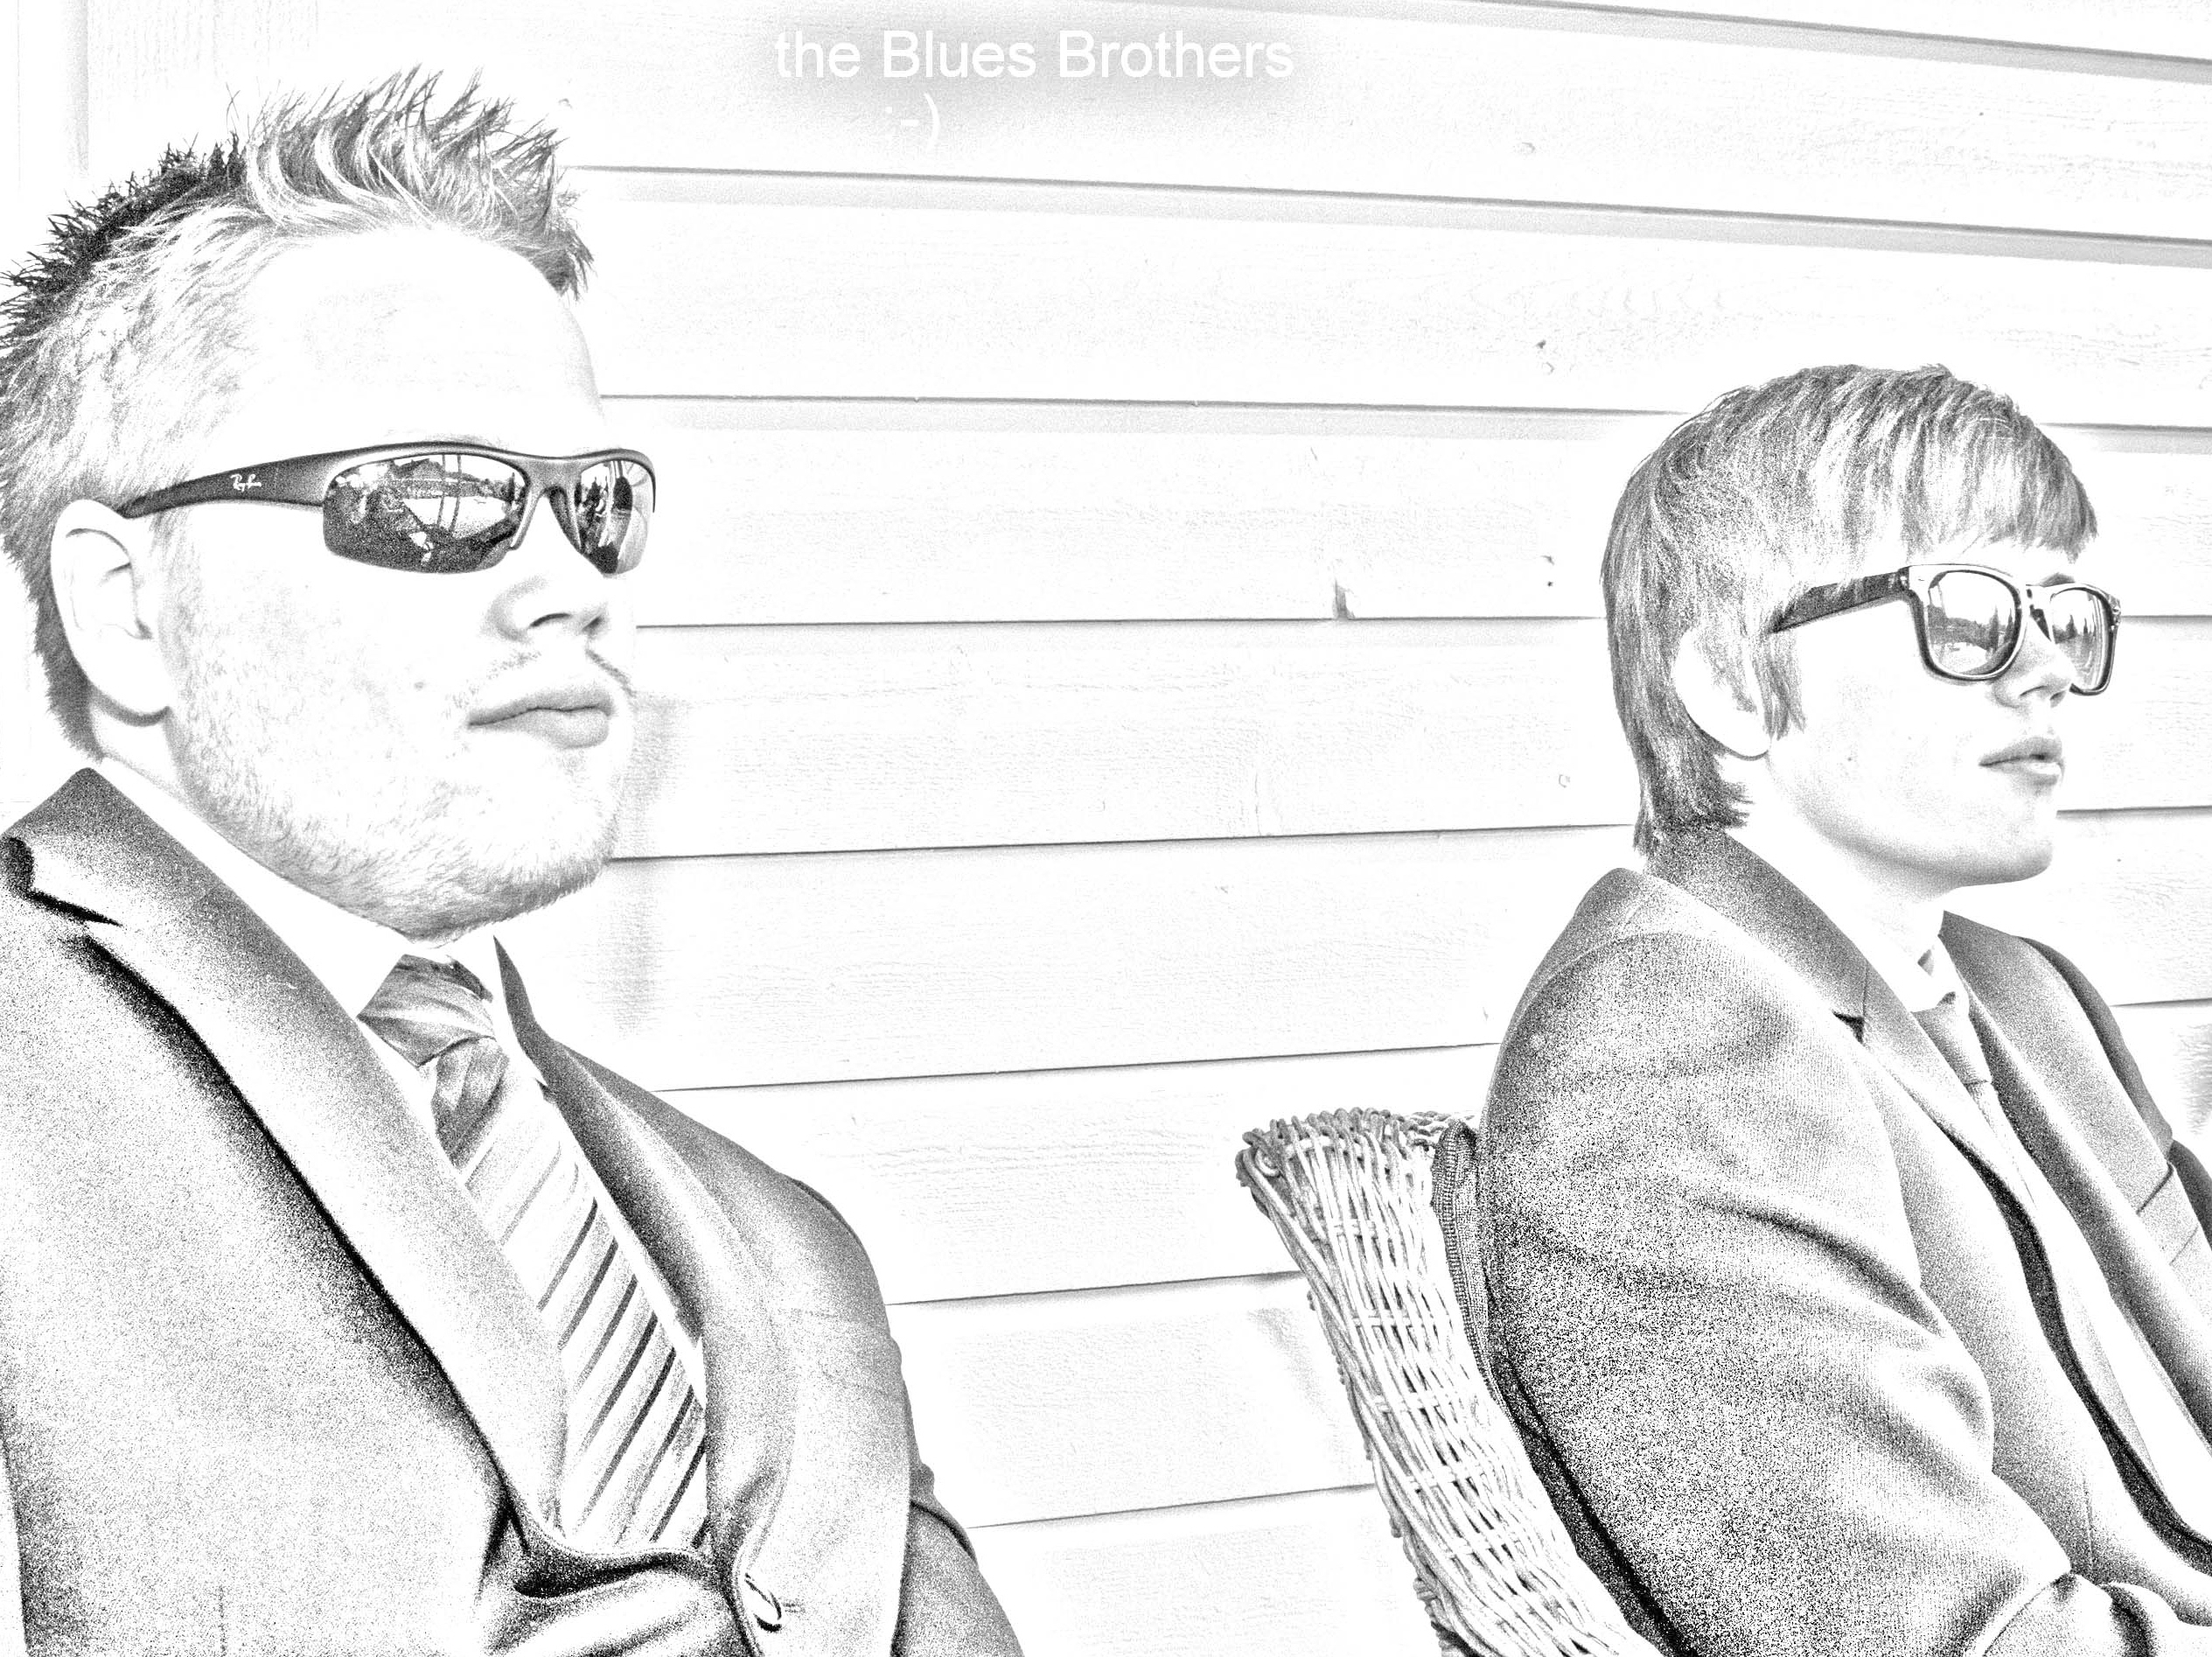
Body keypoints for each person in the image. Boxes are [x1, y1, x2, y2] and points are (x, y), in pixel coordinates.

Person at [0, 74, 1020, 1655]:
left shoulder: (782, 1238)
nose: (572, 584)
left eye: (593, 506)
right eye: (435, 496)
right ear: (129, 607)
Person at [1461, 364, 2212, 1654]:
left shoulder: (2027, 994)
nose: (2047, 671)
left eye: (2064, 613)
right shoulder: (1663, 1052)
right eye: (1968, 612)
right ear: (1732, 687)